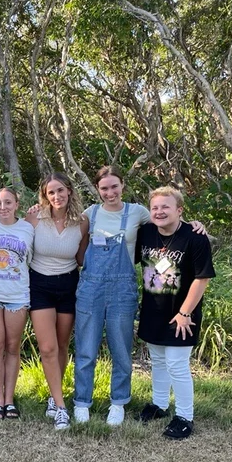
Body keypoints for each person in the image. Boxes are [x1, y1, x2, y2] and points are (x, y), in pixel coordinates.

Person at [73, 166, 205, 426]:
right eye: (104, 188)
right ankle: (81, 402)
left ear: (123, 185)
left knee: (121, 350)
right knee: (86, 349)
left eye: (114, 186)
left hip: (123, 290)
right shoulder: (90, 214)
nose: (110, 192)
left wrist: (194, 225)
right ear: (97, 190)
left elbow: (168, 223)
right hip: (91, 289)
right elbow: (77, 248)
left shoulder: (138, 213)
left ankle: (118, 402)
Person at [136, 187, 215, 439]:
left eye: (165, 207)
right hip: (152, 310)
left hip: (182, 314)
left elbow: (201, 279)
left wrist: (185, 313)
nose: (159, 212)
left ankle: (184, 417)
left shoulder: (195, 237)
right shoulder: (146, 232)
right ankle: (159, 405)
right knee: (157, 361)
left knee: (177, 365)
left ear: (179, 210)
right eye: (155, 207)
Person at [24, 173, 87, 430]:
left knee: (62, 345)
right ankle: (61, 408)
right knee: (48, 347)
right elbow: (12, 235)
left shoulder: (82, 222)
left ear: (69, 191)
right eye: (51, 192)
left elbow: (82, 259)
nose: (56, 196)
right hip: (39, 285)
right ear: (44, 195)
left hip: (69, 285)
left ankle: (54, 395)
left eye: (60, 191)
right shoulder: (34, 217)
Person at [0, 188, 34, 420]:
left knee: (13, 346)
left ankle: (9, 399)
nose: (3, 207)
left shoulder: (29, 227)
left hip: (17, 294)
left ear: (17, 204)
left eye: (8, 202)